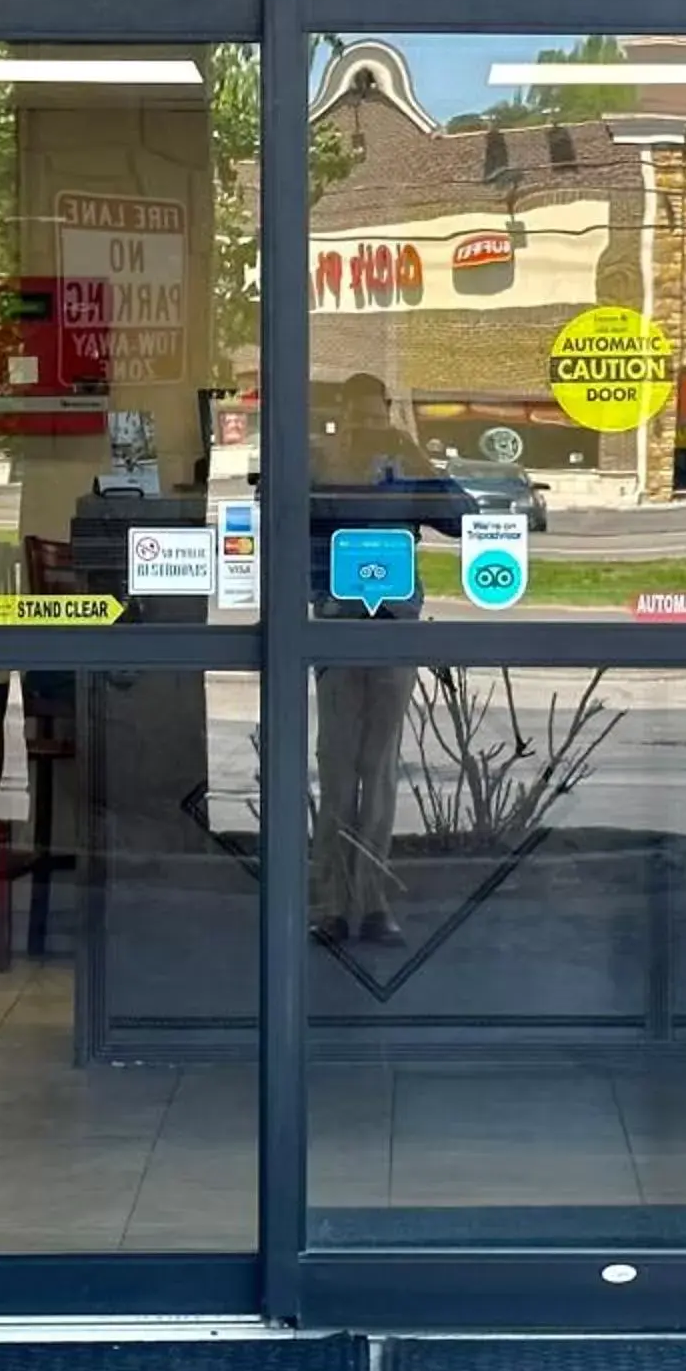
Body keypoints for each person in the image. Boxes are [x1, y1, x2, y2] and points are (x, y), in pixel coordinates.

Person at [306, 374, 448, 947]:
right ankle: (335, 905)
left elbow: (455, 512)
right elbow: (288, 523)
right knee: (338, 772)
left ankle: (373, 903)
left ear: (387, 414)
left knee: (381, 771)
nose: (365, 427)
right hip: (337, 626)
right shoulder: (320, 459)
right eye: (355, 416)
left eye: (374, 416)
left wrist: (412, 457)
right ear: (341, 413)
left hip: (392, 626)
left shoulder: (402, 456)